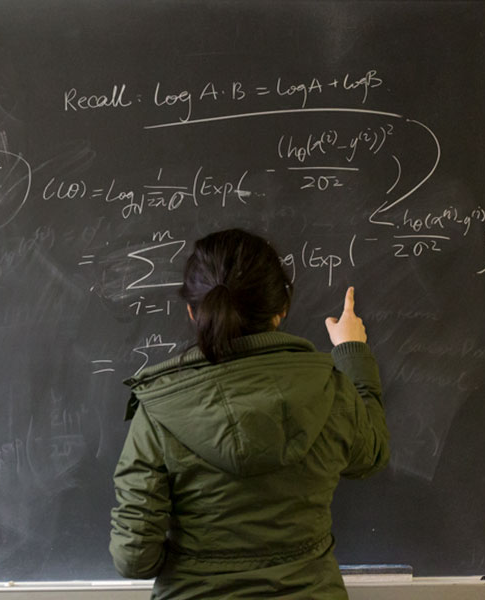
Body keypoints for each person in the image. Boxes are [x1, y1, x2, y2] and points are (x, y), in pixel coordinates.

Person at [109, 229, 389, 599]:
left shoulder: (160, 410)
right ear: (282, 309)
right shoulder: (333, 390)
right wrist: (352, 351)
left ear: (193, 311)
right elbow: (369, 457)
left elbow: (134, 559)